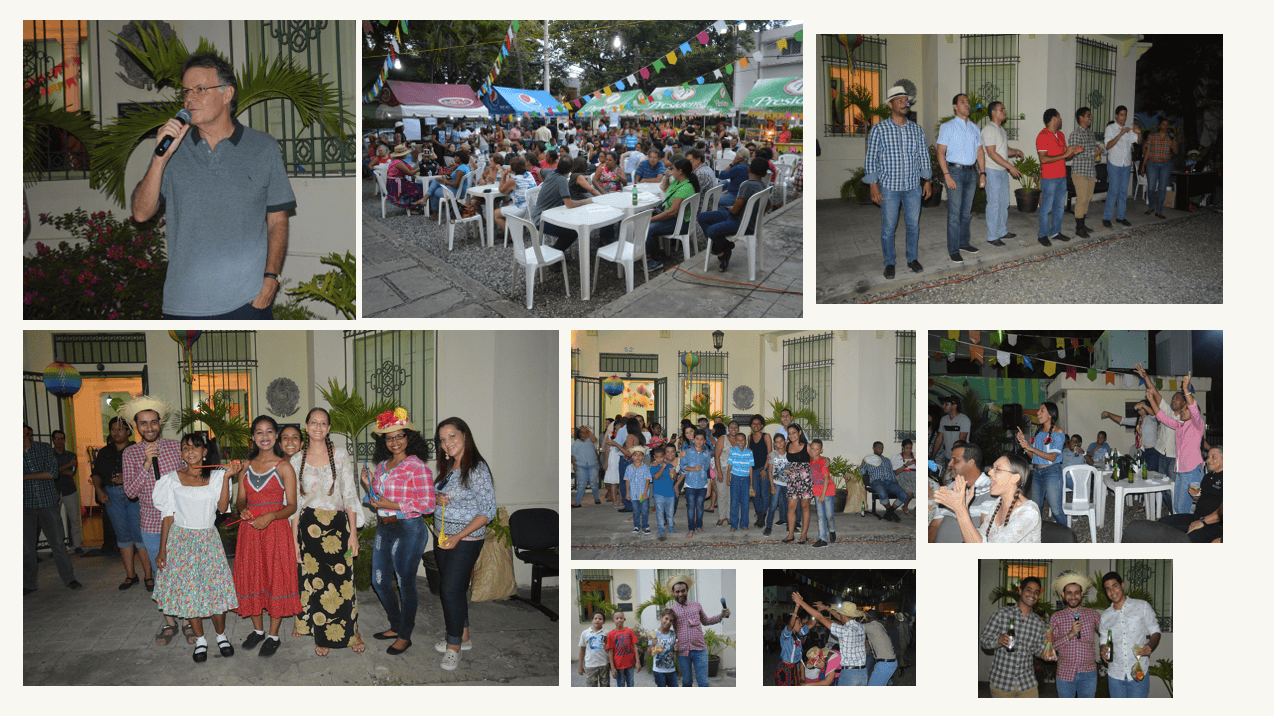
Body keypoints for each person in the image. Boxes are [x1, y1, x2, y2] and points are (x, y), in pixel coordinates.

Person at [130, 52, 295, 319]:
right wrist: (160, 160)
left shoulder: (263, 147)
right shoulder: (173, 150)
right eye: (185, 92)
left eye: (200, 89)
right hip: (182, 304)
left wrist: (270, 279)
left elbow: (278, 220)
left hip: (247, 301)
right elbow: (140, 213)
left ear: (227, 94)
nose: (189, 98)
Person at [151, 433, 239, 663]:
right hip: (181, 541)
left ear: (205, 452)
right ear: (181, 453)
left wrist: (228, 477)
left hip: (208, 540)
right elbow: (168, 516)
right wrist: (162, 550)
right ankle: (201, 640)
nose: (190, 451)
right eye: (185, 448)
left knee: (215, 592)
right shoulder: (171, 479)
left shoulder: (218, 476)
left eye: (195, 447)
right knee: (190, 593)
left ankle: (221, 636)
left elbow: (221, 508)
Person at [360, 408, 435, 657]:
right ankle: (395, 625)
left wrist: (389, 505)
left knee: (405, 582)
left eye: (399, 436)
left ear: (409, 438)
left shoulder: (417, 467)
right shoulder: (381, 466)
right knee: (379, 581)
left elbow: (428, 504)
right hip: (385, 527)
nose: (394, 442)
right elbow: (377, 500)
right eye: (389, 438)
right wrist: (368, 485)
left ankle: (405, 635)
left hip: (409, 529)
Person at [289, 408, 364, 656]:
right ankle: (321, 635)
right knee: (316, 583)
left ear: (329, 428)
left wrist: (353, 533)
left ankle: (350, 631)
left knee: (343, 582)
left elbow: (350, 495)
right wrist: (295, 542)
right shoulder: (296, 460)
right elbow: (294, 506)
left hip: (338, 528)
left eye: (323, 423)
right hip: (308, 530)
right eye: (314, 422)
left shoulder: (341, 455)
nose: (318, 426)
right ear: (307, 427)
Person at [227, 415, 301, 657]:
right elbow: (239, 498)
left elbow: (291, 506)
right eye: (259, 432)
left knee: (275, 578)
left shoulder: (284, 467)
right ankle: (258, 631)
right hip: (250, 531)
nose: (265, 436)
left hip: (275, 530)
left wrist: (271, 516)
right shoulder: (245, 466)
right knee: (252, 577)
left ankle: (273, 635)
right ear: (253, 437)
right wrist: (242, 509)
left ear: (276, 436)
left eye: (270, 431)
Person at [432, 416, 497, 670]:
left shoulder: (477, 468)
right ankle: (465, 636)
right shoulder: (449, 468)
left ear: (464, 436)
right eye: (442, 439)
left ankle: (454, 646)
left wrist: (457, 537)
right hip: (442, 537)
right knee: (454, 590)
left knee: (449, 590)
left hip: (465, 539)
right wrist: (438, 498)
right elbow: (452, 496)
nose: (447, 443)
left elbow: (487, 511)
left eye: (452, 436)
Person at [121, 395, 187, 642]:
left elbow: (188, 478)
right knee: (162, 573)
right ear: (136, 427)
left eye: (153, 422)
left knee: (184, 571)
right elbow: (130, 492)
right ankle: (170, 622)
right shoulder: (131, 454)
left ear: (160, 423)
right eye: (143, 423)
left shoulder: (174, 446)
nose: (149, 428)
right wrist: (147, 463)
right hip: (151, 524)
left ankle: (189, 621)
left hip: (180, 520)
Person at [1136, 364, 1204, 515]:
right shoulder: (1179, 425)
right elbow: (1162, 417)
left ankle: (1189, 531)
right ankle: (1181, 526)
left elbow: (1193, 409)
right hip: (1180, 470)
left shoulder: (1197, 425)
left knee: (1185, 507)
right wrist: (1150, 399)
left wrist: (1186, 389)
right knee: (1179, 506)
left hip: (1192, 471)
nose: (1174, 401)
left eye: (1185, 408)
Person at [24, 424, 81, 594]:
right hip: (25, 504)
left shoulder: (43, 448)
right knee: (26, 547)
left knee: (58, 543)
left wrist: (24, 477)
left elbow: (52, 473)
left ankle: (69, 578)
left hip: (47, 502)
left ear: (27, 433)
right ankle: (29, 584)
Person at [94, 417, 149, 589]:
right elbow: (96, 473)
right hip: (112, 497)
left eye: (120, 429)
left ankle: (149, 576)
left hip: (134, 496)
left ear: (128, 431)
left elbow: (146, 473)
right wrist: (98, 489)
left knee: (140, 535)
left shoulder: (137, 450)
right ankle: (131, 576)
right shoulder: (104, 452)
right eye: (113, 429)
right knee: (123, 536)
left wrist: (127, 479)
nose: (116, 432)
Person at [934, 453, 1041, 543]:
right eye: (992, 468)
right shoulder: (998, 503)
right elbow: (979, 538)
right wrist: (963, 508)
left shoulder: (1029, 512)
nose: (989, 472)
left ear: (1015, 478)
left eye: (997, 469)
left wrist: (960, 510)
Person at [937, 93, 986, 263]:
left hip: (971, 173)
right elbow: (940, 152)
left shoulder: (974, 128)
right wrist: (947, 175)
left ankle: (964, 242)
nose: (967, 104)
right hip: (955, 173)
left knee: (966, 213)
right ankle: (953, 248)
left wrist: (983, 173)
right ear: (955, 107)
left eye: (968, 102)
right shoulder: (947, 126)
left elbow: (980, 152)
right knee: (954, 213)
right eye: (962, 102)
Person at [696, 156, 769, 272]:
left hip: (739, 222)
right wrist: (755, 215)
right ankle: (725, 247)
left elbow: (735, 210)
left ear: (748, 169)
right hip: (741, 218)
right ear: (765, 174)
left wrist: (733, 209)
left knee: (711, 230)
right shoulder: (762, 185)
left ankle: (722, 252)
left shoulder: (747, 185)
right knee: (703, 217)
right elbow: (768, 205)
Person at [979, 576, 1048, 697]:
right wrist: (998, 640)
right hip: (1002, 682)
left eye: (1036, 592)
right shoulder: (1001, 614)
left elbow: (1037, 651)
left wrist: (1048, 647)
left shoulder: (1038, 622)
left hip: (1027, 683)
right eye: (1029, 590)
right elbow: (984, 640)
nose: (1033, 594)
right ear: (1020, 591)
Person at [1099, 572, 1161, 697]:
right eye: (1108, 589)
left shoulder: (1142, 606)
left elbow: (1155, 631)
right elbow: (1103, 641)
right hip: (1115, 675)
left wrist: (1150, 645)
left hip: (1138, 672)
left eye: (1114, 586)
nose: (1112, 591)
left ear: (1122, 585)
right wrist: (1102, 649)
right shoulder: (1105, 616)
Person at [666, 574, 729, 687]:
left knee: (703, 682)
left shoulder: (696, 605)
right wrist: (667, 644)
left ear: (687, 590)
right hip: (682, 652)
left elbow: (705, 621)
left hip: (699, 650)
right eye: (677, 591)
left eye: (683, 591)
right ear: (673, 592)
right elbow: (666, 630)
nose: (680, 594)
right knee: (686, 682)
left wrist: (721, 615)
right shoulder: (671, 610)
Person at [1045, 571, 1101, 697]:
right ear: (1063, 595)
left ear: (1081, 594)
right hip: (1065, 673)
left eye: (1076, 592)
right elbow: (1052, 647)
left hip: (1088, 673)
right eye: (1069, 593)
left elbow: (1107, 630)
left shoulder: (1092, 614)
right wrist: (1070, 634)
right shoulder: (1056, 617)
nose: (1073, 596)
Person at [793, 593, 868, 686]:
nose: (839, 616)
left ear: (843, 616)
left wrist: (801, 602)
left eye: (840, 615)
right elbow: (839, 616)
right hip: (863, 673)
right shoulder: (860, 627)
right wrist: (825, 608)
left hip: (850, 675)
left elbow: (820, 617)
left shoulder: (843, 630)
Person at [644, 158, 700, 271]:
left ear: (680, 171)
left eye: (673, 169)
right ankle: (654, 251)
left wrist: (651, 220)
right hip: (674, 217)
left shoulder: (686, 188)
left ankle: (656, 261)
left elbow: (672, 212)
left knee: (649, 228)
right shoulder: (677, 181)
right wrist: (667, 177)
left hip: (681, 222)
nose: (670, 170)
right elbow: (664, 188)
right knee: (644, 215)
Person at [1036, 108, 1082, 246]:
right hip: (1049, 178)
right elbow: (1043, 159)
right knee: (1046, 208)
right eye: (1059, 117)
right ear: (1054, 119)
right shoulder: (1042, 136)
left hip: (1062, 177)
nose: (1061, 120)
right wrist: (1064, 154)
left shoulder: (1060, 135)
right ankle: (1042, 234)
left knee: (1059, 207)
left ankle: (1055, 232)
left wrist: (1074, 152)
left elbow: (1066, 156)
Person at [981, 101, 1024, 246]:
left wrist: (1015, 151)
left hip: (1002, 171)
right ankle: (992, 236)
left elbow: (1004, 150)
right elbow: (992, 154)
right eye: (1002, 109)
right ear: (994, 113)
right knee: (994, 204)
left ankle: (1001, 231)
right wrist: (1010, 167)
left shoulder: (1001, 130)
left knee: (1004, 203)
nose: (1005, 111)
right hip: (992, 171)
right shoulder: (989, 129)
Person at [1017, 402, 1067, 525]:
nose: (1038, 413)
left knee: (1056, 511)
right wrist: (1024, 444)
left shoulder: (1058, 432)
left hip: (1052, 472)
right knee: (1035, 509)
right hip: (1038, 473)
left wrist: (1031, 447)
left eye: (1042, 410)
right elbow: (1033, 456)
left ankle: (1067, 537)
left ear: (1050, 414)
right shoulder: (1038, 432)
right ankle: (1036, 537)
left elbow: (1053, 457)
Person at [1159, 446, 1222, 542]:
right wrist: (1194, 495)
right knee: (1161, 523)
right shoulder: (1207, 477)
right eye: (1208, 456)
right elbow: (1202, 498)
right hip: (1196, 517)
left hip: (1214, 524)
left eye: (1213, 457)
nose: (1209, 460)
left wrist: (1203, 521)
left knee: (1187, 539)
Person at [1102, 106, 1141, 228]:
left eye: (1125, 114)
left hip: (1126, 164)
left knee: (1123, 192)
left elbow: (1139, 142)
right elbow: (1108, 146)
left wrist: (1139, 133)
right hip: (1114, 163)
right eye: (1121, 114)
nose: (1124, 117)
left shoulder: (1130, 127)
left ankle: (1120, 217)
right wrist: (1121, 133)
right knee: (1113, 191)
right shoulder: (1110, 128)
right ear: (1116, 116)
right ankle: (1107, 218)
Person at [1068, 107, 1101, 238]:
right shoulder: (1076, 134)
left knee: (1087, 199)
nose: (1091, 118)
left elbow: (1092, 152)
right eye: (1088, 115)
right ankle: (1079, 228)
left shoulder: (1091, 134)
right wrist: (1093, 153)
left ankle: (1083, 224)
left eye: (1090, 115)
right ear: (1081, 118)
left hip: (1090, 172)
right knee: (1081, 199)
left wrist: (1097, 154)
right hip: (1080, 172)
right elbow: (1075, 153)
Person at [49, 430, 84, 555]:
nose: (59, 441)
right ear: (53, 440)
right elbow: (50, 473)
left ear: (65, 440)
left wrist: (57, 471)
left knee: (74, 519)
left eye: (61, 438)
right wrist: (67, 466)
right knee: (55, 521)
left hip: (69, 490)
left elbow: (72, 473)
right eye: (57, 439)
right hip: (53, 491)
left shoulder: (71, 455)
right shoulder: (48, 455)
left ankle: (76, 545)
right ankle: (58, 548)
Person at [1101, 401, 1159, 471]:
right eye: (1139, 405)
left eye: (1142, 405)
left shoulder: (1152, 418)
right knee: (1143, 473)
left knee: (1151, 473)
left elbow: (1153, 413)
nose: (1140, 406)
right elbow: (1122, 420)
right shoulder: (1139, 420)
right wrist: (1109, 414)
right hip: (1143, 451)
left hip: (1152, 451)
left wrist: (1143, 405)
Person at [782, 424, 813, 544]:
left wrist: (826, 460)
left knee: (805, 507)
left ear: (799, 432)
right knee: (791, 508)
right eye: (789, 433)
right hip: (793, 480)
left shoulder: (807, 446)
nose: (791, 435)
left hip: (805, 480)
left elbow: (816, 457)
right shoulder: (787, 445)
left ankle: (804, 535)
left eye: (794, 432)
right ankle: (790, 534)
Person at [493, 155, 539, 235]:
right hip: (533, 207)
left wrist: (504, 175)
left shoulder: (514, 180)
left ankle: (511, 235)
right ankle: (519, 227)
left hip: (523, 210)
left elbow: (501, 190)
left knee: (496, 213)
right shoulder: (529, 174)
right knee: (505, 204)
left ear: (512, 168)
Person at [862, 442, 905, 523]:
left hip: (890, 482)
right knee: (882, 493)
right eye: (878, 447)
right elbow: (862, 472)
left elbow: (892, 473)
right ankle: (892, 513)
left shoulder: (887, 460)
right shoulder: (869, 459)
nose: (881, 449)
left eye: (882, 448)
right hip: (876, 482)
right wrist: (863, 464)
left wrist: (895, 482)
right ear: (873, 448)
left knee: (904, 495)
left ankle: (889, 513)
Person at [680, 430, 712, 538]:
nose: (699, 441)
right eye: (697, 439)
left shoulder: (707, 455)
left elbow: (707, 470)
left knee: (700, 506)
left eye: (701, 439)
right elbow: (682, 467)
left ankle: (699, 526)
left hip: (702, 485)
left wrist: (709, 486)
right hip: (689, 484)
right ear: (693, 440)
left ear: (704, 441)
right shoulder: (687, 452)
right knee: (690, 507)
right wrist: (693, 469)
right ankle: (691, 528)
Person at [426, 148, 472, 220]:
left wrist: (443, 180)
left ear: (460, 158)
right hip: (460, 191)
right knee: (434, 183)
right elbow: (457, 181)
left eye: (456, 157)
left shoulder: (460, 169)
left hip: (455, 193)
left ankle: (433, 213)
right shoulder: (465, 167)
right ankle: (426, 198)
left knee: (433, 191)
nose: (454, 158)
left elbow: (455, 184)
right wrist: (447, 179)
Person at [384, 144, 428, 215]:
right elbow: (410, 173)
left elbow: (409, 169)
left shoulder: (397, 160)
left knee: (416, 186)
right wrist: (419, 167)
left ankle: (413, 206)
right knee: (418, 187)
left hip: (395, 182)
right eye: (405, 153)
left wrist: (418, 167)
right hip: (394, 185)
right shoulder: (398, 163)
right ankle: (411, 207)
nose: (407, 155)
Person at [775, 600, 811, 685]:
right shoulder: (785, 636)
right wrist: (797, 607)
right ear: (793, 623)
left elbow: (809, 626)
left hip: (793, 668)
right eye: (799, 623)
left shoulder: (798, 637)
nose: (801, 625)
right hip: (784, 668)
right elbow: (790, 626)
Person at [725, 432, 754, 535]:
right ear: (735, 441)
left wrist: (751, 483)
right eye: (738, 440)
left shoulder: (749, 452)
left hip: (746, 480)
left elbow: (750, 469)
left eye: (742, 440)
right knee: (734, 503)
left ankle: (744, 524)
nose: (740, 442)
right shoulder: (732, 450)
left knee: (745, 503)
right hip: (735, 479)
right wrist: (728, 478)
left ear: (745, 441)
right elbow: (730, 466)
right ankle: (733, 525)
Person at [809, 439, 835, 546]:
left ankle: (832, 530)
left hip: (827, 491)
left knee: (829, 516)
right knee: (820, 516)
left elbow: (826, 479)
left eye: (817, 449)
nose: (814, 451)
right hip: (817, 492)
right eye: (812, 449)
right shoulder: (810, 461)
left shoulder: (823, 462)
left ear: (821, 450)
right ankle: (822, 539)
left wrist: (823, 495)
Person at [764, 433, 790, 536]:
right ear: (774, 444)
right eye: (777, 442)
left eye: (781, 441)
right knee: (773, 506)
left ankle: (790, 525)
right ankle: (768, 526)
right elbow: (770, 471)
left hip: (788, 484)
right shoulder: (772, 455)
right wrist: (772, 486)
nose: (779, 443)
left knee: (789, 506)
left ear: (785, 442)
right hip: (777, 484)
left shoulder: (790, 454)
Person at [862, 610, 896, 685]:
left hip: (885, 664)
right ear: (877, 619)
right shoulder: (879, 625)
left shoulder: (871, 626)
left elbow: (853, 627)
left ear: (867, 619)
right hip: (890, 662)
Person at [933, 396, 969, 466]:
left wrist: (955, 458)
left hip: (959, 458)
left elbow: (961, 440)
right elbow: (939, 439)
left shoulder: (964, 419)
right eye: (943, 404)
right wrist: (933, 456)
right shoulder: (944, 419)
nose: (943, 406)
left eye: (946, 404)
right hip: (947, 456)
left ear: (954, 406)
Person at [606, 610, 639, 687]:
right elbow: (610, 651)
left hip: (630, 663)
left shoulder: (629, 631)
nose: (619, 620)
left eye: (621, 618)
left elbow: (635, 647)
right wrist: (612, 668)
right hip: (618, 665)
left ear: (624, 619)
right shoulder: (611, 634)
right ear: (613, 620)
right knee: (620, 684)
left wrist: (638, 661)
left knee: (631, 683)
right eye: (617, 618)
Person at [650, 446, 677, 540]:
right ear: (654, 457)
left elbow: (674, 478)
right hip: (659, 494)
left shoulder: (670, 466)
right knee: (660, 513)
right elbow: (656, 477)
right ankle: (661, 529)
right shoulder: (653, 467)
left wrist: (674, 473)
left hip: (670, 493)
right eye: (657, 457)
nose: (659, 459)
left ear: (664, 456)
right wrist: (662, 467)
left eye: (661, 457)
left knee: (670, 512)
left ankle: (670, 528)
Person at [647, 608, 679, 687]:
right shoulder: (653, 634)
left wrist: (676, 650)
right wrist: (652, 645)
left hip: (671, 670)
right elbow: (648, 653)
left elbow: (674, 650)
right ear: (661, 617)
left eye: (671, 620)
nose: (668, 622)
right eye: (666, 619)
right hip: (659, 671)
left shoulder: (674, 634)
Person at [578, 611, 610, 687]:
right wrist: (580, 666)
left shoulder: (607, 633)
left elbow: (610, 650)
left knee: (605, 686)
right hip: (590, 665)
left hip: (604, 665)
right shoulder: (585, 633)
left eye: (600, 619)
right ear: (592, 620)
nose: (597, 620)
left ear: (604, 622)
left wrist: (611, 663)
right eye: (595, 618)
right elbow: (582, 650)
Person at [571, 426, 600, 508]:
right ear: (579, 434)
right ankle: (577, 502)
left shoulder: (591, 441)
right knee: (581, 484)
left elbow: (595, 440)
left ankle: (596, 498)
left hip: (593, 465)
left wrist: (588, 431)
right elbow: (572, 456)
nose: (584, 434)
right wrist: (574, 465)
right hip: (580, 466)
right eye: (582, 433)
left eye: (585, 433)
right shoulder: (576, 443)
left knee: (593, 482)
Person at [627, 446, 652, 535]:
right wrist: (627, 492)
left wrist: (645, 493)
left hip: (642, 495)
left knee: (644, 510)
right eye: (635, 455)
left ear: (643, 457)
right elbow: (627, 481)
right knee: (635, 510)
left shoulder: (645, 468)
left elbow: (647, 481)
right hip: (633, 494)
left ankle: (645, 526)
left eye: (640, 455)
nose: (638, 457)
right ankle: (636, 526)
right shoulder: (629, 468)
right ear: (632, 457)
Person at [891, 439, 918, 516]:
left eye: (910, 448)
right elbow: (896, 472)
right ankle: (905, 507)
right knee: (910, 490)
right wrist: (905, 465)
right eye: (907, 448)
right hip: (903, 476)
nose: (909, 450)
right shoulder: (897, 457)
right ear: (902, 447)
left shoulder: (916, 456)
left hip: (915, 476)